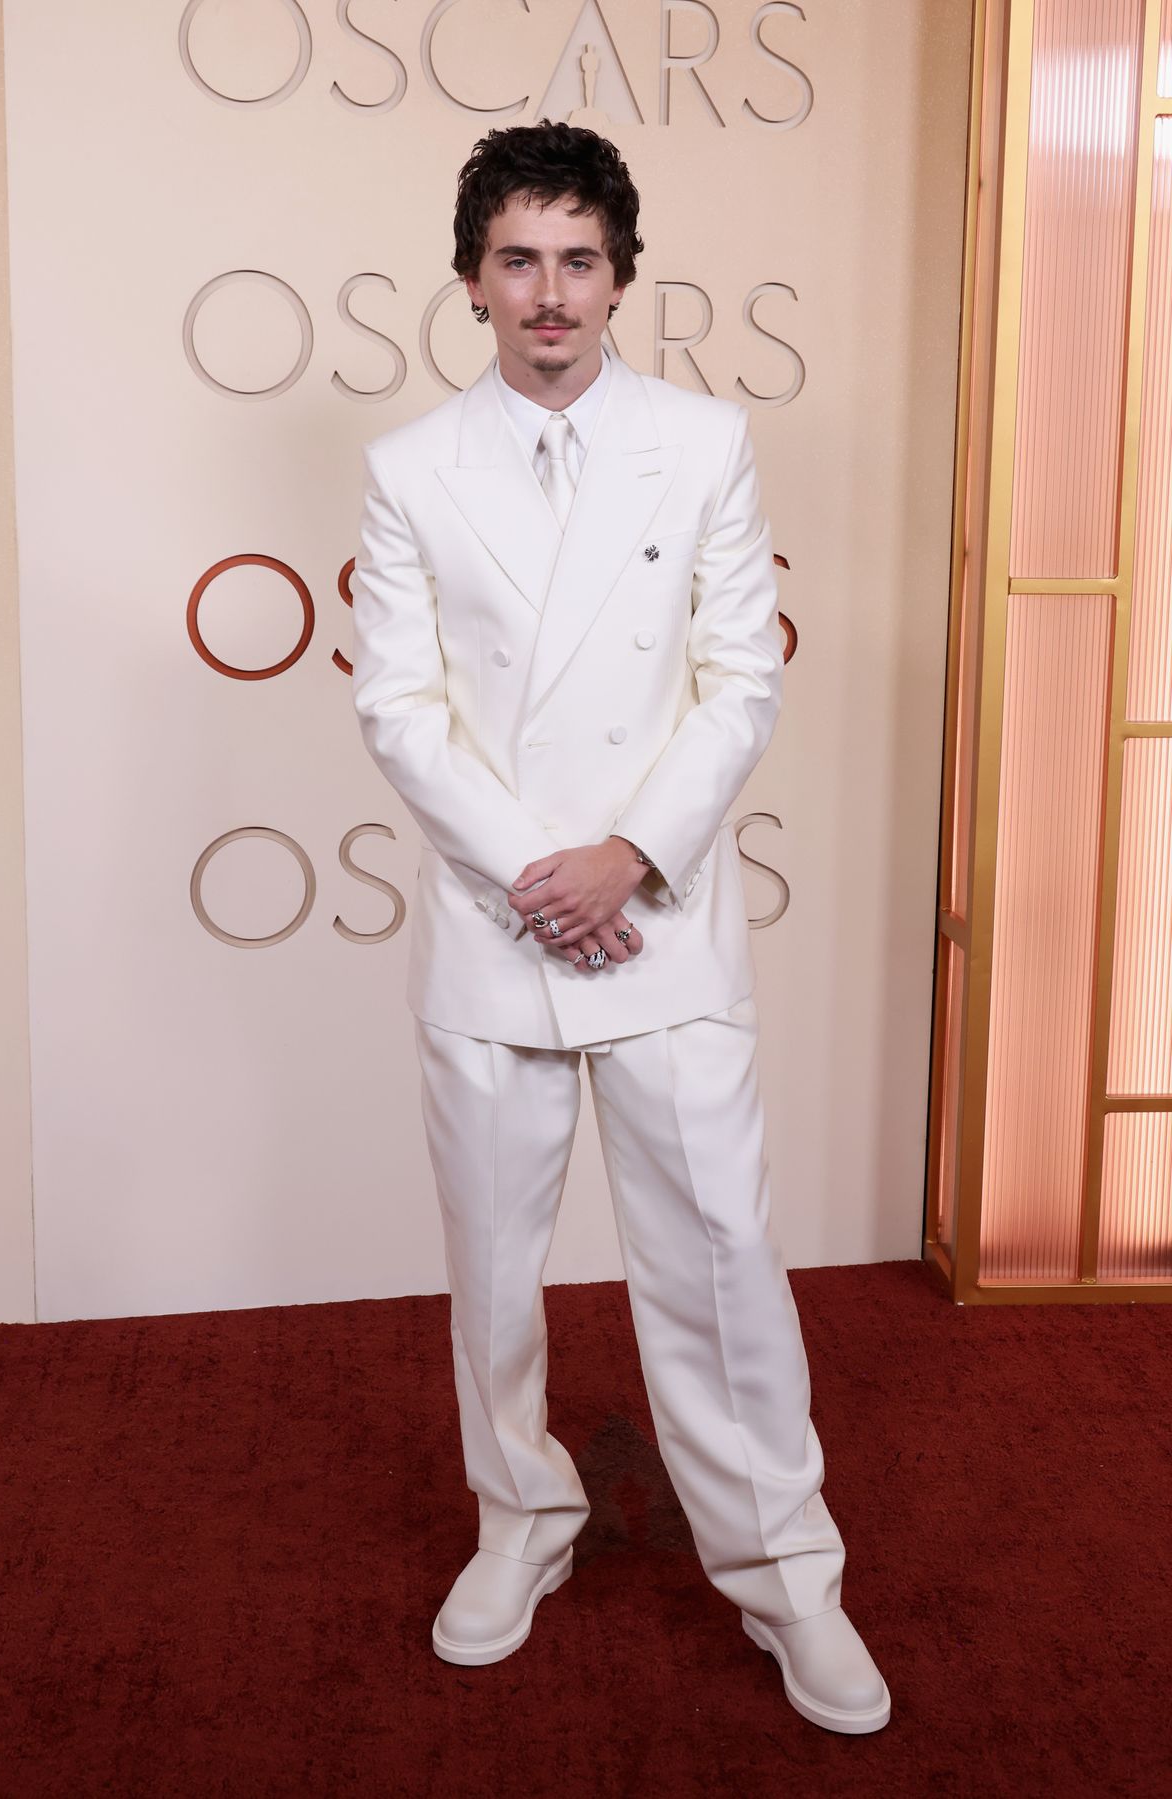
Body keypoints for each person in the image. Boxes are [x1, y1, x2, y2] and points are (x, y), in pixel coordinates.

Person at [349, 119, 890, 1735]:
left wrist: (630, 857)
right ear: (472, 281)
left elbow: (741, 681)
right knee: (495, 1273)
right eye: (517, 260)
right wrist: (544, 872)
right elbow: (400, 709)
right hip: (496, 924)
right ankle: (520, 1520)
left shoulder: (704, 442)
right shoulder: (410, 469)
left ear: (620, 277)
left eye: (577, 260)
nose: (549, 292)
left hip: (664, 923)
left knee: (722, 1264)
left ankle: (788, 1574)